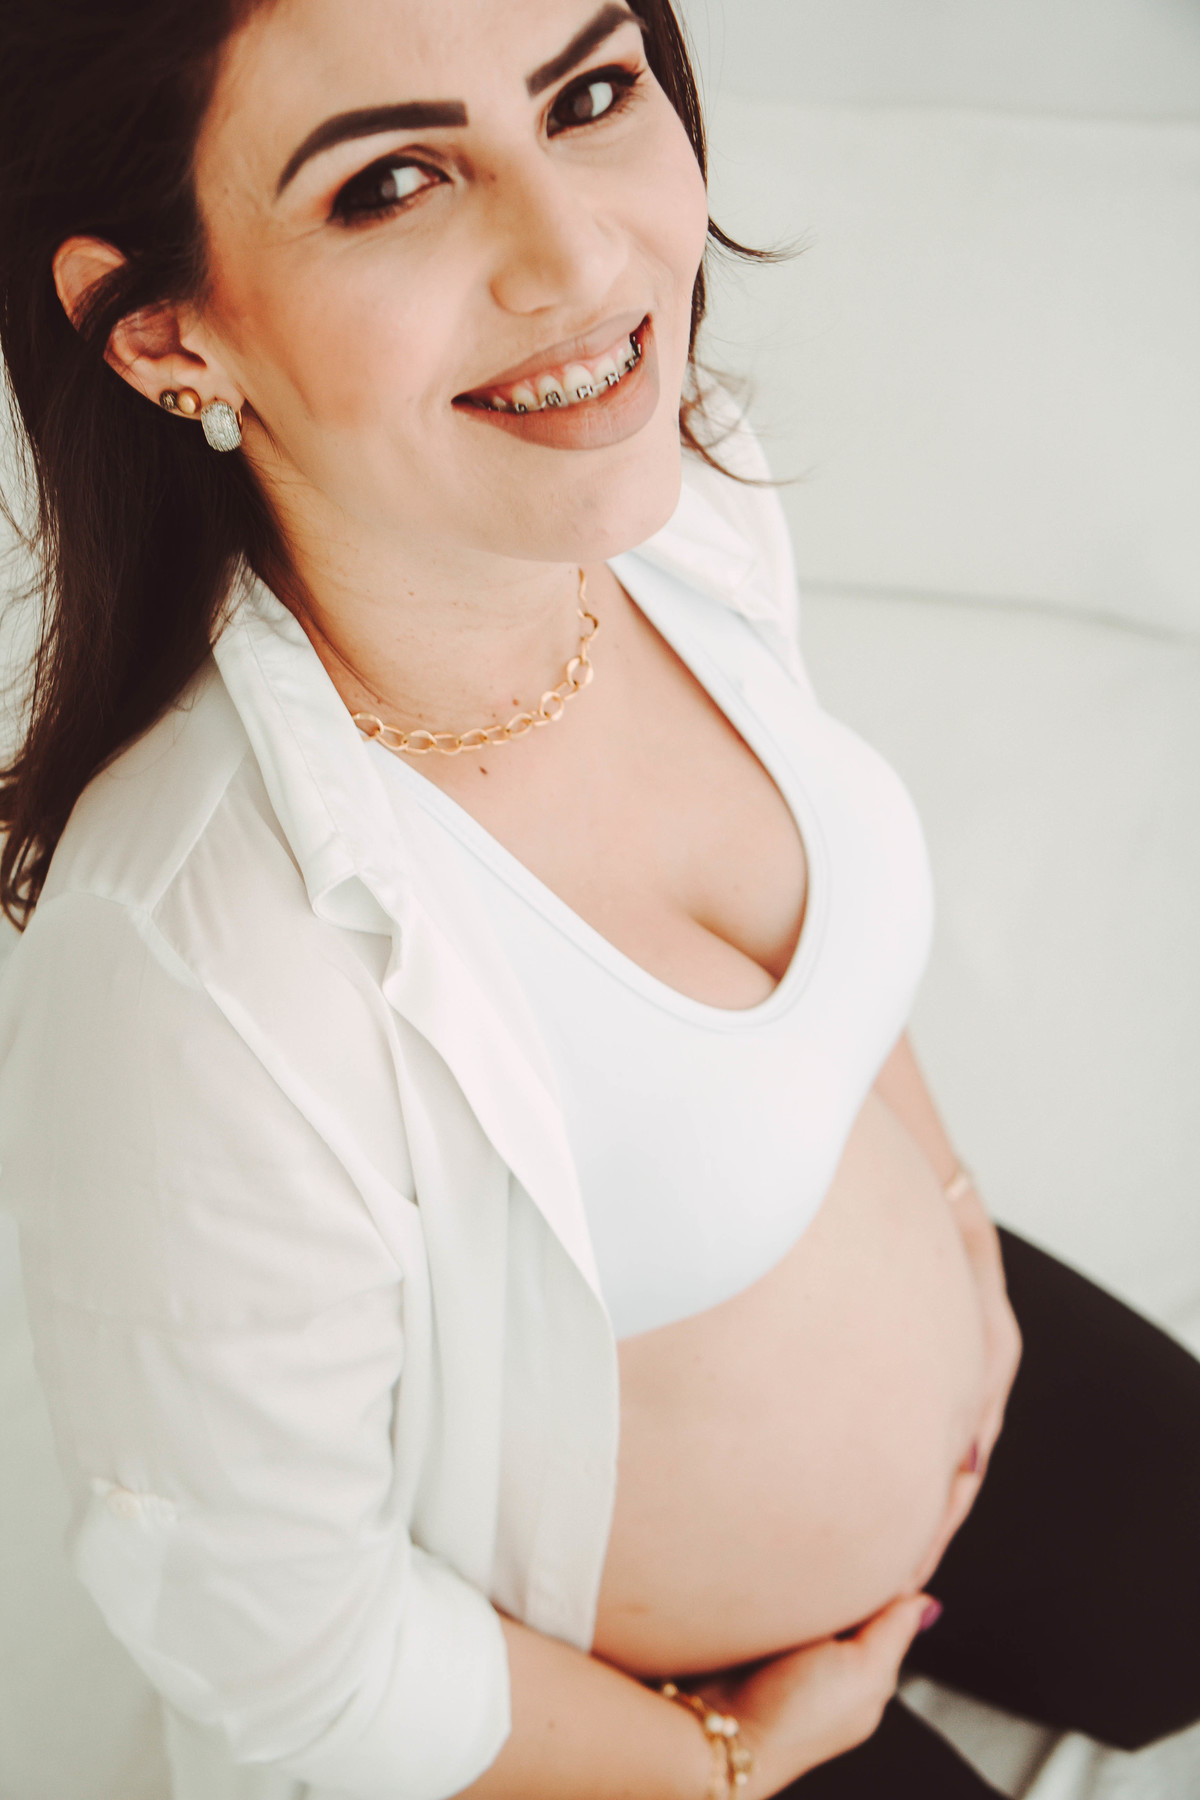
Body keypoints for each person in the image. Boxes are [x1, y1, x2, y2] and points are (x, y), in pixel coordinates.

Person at [1, 1, 1198, 1795]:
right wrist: (717, 1759)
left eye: (589, 93)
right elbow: (287, 1643)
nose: (582, 258)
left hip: (965, 1360)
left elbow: (825, 979)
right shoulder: (193, 963)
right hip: (625, 1701)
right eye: (389, 183)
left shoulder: (672, 503)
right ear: (166, 330)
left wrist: (959, 1236)